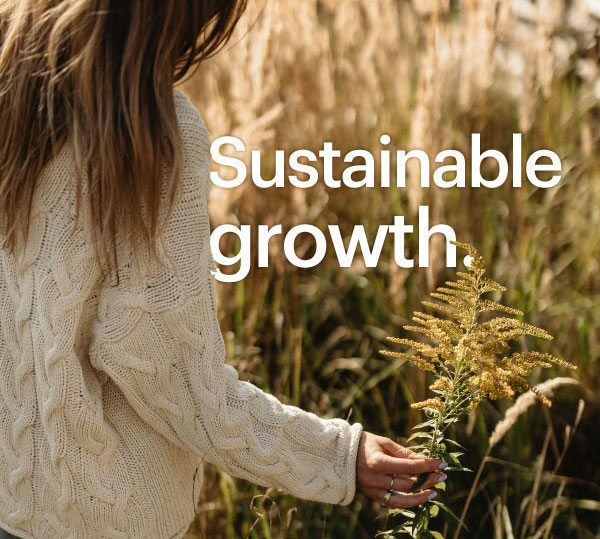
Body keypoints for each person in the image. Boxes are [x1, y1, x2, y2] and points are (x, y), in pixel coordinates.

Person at [0, 1, 447, 537]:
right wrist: (334, 457)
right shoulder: (152, 135)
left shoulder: (12, 78)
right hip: (102, 518)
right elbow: (172, 372)